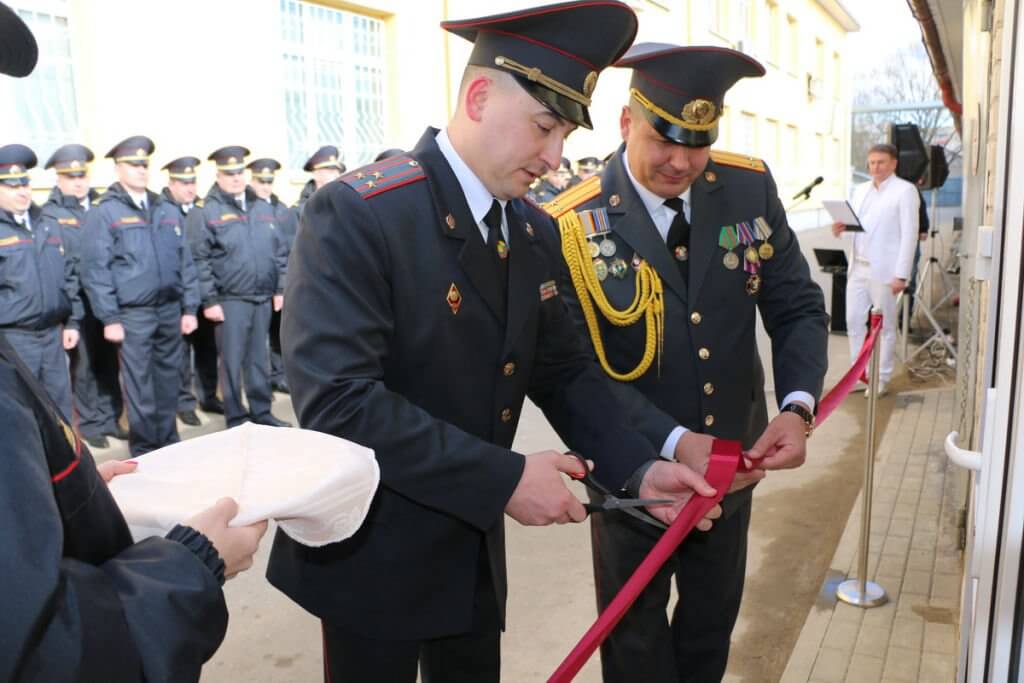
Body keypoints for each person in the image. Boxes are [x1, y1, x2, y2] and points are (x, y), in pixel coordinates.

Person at [267, 4, 726, 682]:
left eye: (565, 133)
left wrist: (639, 464)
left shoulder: (532, 232)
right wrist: (506, 477)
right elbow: (338, 401)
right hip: (376, 562)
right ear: (479, 97)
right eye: (545, 128)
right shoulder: (362, 213)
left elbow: (567, 373)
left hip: (471, 554)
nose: (555, 157)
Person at [546, 43, 829, 683]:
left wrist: (798, 405)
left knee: (710, 628)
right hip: (633, 473)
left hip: (734, 468)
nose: (681, 161)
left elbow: (797, 306)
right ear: (626, 122)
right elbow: (574, 372)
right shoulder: (566, 225)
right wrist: (670, 443)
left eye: (698, 143)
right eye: (664, 139)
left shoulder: (748, 188)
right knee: (635, 643)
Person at [0, 6, 267, 681]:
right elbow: (43, 641)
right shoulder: (102, 215)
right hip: (72, 323)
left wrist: (74, 486)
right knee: (126, 392)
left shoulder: (166, 213)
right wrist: (192, 561)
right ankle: (147, 438)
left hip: (156, 314)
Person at [81, 136, 201, 456]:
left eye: (144, 164)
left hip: (169, 308)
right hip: (133, 313)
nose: (140, 170)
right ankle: (147, 448)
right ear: (118, 168)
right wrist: (109, 317)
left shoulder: (165, 207)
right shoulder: (105, 212)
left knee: (168, 379)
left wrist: (190, 308)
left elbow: (185, 260)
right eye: (133, 165)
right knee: (139, 384)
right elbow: (96, 269)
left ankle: (169, 443)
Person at [186, 146, 290, 428]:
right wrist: (209, 301)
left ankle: (261, 411)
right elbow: (200, 258)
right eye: (228, 173)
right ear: (218, 176)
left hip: (262, 295)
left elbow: (279, 252)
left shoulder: (261, 206)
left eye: (239, 172)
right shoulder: (207, 210)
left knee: (259, 358)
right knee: (232, 360)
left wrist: (280, 289)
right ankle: (235, 415)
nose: (235, 178)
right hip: (229, 299)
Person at [41, 143, 127, 448]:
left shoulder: (100, 208)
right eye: (70, 176)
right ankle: (91, 423)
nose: (78, 182)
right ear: (58, 179)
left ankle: (111, 417)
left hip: (105, 297)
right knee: (86, 366)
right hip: (76, 301)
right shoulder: (50, 215)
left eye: (82, 175)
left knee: (109, 362)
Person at [0, 143, 80, 421]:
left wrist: (71, 322)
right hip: (15, 338)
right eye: (12, 186)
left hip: (53, 336)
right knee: (26, 414)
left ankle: (70, 465)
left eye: (25, 184)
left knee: (60, 410)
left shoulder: (47, 222)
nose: (22, 191)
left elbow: (68, 276)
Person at [832, 142, 919, 396]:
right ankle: (860, 375)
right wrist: (841, 229)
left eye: (881, 162)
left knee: (885, 326)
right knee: (853, 321)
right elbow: (857, 228)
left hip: (885, 272)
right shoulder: (859, 191)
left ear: (893, 163)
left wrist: (902, 274)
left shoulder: (905, 191)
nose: (875, 167)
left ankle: (881, 377)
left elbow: (909, 235)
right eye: (871, 162)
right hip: (858, 268)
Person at [161, 156, 222, 425]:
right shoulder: (162, 210)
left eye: (193, 181)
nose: (189, 187)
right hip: (178, 294)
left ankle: (209, 395)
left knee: (207, 348)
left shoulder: (201, 210)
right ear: (171, 183)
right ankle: (185, 402)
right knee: (182, 353)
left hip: (204, 293)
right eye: (183, 182)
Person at [247, 157, 298, 394]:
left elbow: (288, 250)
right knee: (257, 341)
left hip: (279, 283)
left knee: (280, 333)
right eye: (260, 180)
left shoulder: (282, 210)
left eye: (269, 181)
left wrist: (282, 287)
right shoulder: (247, 208)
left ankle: (279, 375)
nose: (265, 186)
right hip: (253, 284)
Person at [295, 145, 344, 211]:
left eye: (338, 172)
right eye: (331, 172)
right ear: (316, 175)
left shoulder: (344, 204)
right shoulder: (301, 210)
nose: (336, 176)